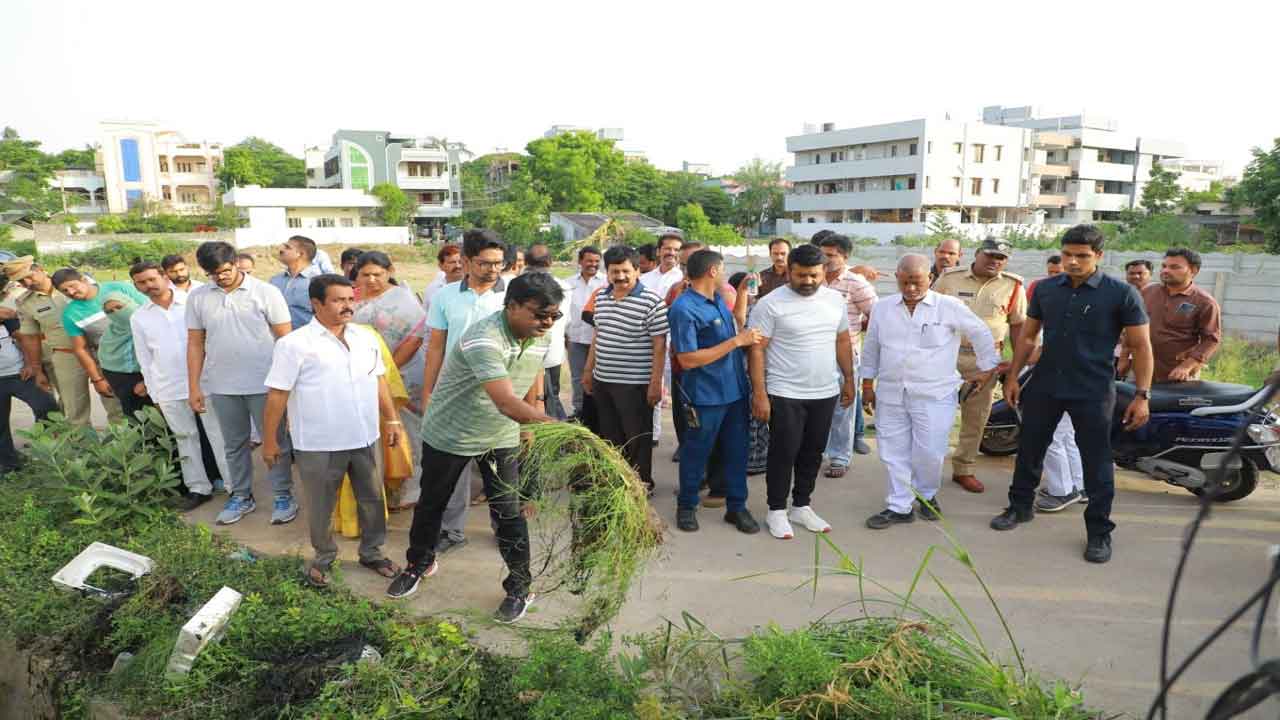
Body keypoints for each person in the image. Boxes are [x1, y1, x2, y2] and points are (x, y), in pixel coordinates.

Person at [387, 273, 564, 626]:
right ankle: (418, 563)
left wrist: (533, 416)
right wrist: (560, 429)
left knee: (509, 513)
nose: (547, 323)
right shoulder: (484, 339)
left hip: (499, 436)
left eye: (554, 316)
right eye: (539, 314)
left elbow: (530, 377)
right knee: (432, 504)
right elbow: (506, 402)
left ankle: (519, 587)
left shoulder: (539, 334)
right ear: (512, 306)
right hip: (451, 433)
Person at [992, 224, 1153, 564]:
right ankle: (1019, 507)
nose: (1073, 262)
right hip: (1046, 384)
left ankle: (1099, 532)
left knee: (1097, 461)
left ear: (1099, 256)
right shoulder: (1046, 289)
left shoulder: (1121, 294)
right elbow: (1028, 336)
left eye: (1082, 256)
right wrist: (1013, 377)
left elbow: (1141, 346)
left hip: (1093, 389)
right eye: (1067, 255)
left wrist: (1142, 395)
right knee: (1030, 449)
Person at [260, 273, 400, 587]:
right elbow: (277, 394)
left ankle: (372, 553)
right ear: (316, 303)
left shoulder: (365, 337)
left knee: (372, 499)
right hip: (318, 442)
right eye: (338, 300)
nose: (347, 306)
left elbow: (378, 379)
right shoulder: (294, 344)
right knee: (322, 504)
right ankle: (324, 557)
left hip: (365, 436)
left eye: (350, 299)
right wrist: (270, 441)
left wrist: (392, 418)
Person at [860, 254, 998, 530]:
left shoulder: (948, 306)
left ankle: (926, 495)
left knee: (930, 452)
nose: (911, 288)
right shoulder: (883, 308)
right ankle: (899, 505)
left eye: (917, 282)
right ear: (897, 278)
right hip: (891, 392)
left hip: (934, 394)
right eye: (905, 282)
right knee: (893, 451)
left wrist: (987, 369)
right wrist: (867, 384)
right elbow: (872, 345)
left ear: (930, 278)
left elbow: (980, 332)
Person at [749, 244, 855, 539]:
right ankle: (776, 510)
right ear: (789, 272)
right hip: (785, 392)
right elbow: (756, 351)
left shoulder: (834, 300)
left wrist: (849, 378)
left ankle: (801, 506)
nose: (808, 281)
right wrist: (760, 394)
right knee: (784, 452)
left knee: (813, 452)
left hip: (825, 391)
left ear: (824, 272)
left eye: (814, 275)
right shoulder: (770, 304)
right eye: (801, 275)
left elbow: (842, 341)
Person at [187, 241, 296, 526]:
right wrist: (194, 386)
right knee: (234, 445)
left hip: (265, 384)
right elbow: (195, 343)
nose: (220, 277)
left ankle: (283, 495)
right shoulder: (198, 297)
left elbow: (286, 339)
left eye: (225, 270)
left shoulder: (266, 292)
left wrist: (289, 383)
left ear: (236, 262)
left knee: (275, 442)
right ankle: (241, 496)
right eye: (213, 274)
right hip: (222, 385)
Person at [422, 229, 508, 552]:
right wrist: (428, 392)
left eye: (498, 263)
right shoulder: (445, 296)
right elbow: (435, 347)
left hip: (498, 394)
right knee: (452, 468)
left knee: (498, 467)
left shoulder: (511, 295)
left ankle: (504, 527)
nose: (493, 269)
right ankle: (451, 531)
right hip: (454, 394)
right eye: (486, 263)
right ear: (468, 261)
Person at [668, 249, 760, 533]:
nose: (723, 273)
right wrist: (737, 343)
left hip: (734, 392)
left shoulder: (717, 299)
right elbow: (687, 359)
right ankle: (687, 506)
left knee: (737, 451)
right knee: (696, 452)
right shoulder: (684, 308)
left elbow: (734, 325)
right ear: (712, 271)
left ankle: (737, 507)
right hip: (704, 395)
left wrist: (742, 293)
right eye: (722, 269)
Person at [129, 261, 231, 510]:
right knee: (185, 439)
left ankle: (235, 487)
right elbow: (145, 359)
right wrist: (155, 394)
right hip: (168, 386)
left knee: (219, 435)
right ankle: (198, 488)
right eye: (141, 283)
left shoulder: (194, 302)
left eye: (152, 279)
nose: (148, 286)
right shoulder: (139, 317)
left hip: (205, 381)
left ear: (165, 277)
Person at [932, 239, 1026, 494]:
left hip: (984, 363)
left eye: (1001, 258)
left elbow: (1018, 327)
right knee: (934, 415)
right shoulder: (950, 278)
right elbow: (929, 312)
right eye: (990, 255)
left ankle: (964, 469)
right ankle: (927, 467)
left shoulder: (1013, 286)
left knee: (975, 418)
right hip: (945, 356)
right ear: (977, 254)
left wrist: (1015, 368)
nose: (996, 261)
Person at [584, 245, 667, 495]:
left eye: (625, 271)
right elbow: (598, 335)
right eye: (614, 271)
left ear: (637, 270)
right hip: (603, 380)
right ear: (607, 272)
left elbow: (660, 345)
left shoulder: (652, 301)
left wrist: (655, 383)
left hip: (635, 384)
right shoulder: (601, 297)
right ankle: (618, 481)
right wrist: (588, 371)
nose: (620, 276)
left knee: (637, 438)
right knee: (611, 436)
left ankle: (641, 484)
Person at [351, 251, 428, 508]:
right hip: (362, 375)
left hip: (401, 373)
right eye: (365, 274)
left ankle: (413, 487)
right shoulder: (352, 297)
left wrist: (387, 371)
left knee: (408, 430)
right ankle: (382, 487)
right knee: (374, 431)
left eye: (378, 274)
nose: (371, 280)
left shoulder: (403, 299)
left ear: (390, 271)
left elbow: (414, 339)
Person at [2, 257, 93, 427]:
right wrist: (37, 369)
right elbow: (30, 337)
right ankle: (83, 443)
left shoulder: (70, 286)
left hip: (98, 349)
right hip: (65, 355)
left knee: (114, 401)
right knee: (74, 410)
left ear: (40, 270)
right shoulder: (25, 302)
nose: (27, 283)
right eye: (21, 281)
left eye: (29, 277)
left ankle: (123, 441)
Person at [816, 233, 877, 477]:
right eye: (822, 254)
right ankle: (817, 452)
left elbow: (878, 317)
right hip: (814, 355)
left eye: (831, 255)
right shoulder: (813, 278)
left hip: (845, 356)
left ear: (845, 256)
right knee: (817, 407)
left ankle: (840, 458)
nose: (825, 259)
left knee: (843, 408)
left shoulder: (856, 283)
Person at [52, 268, 145, 422]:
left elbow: (149, 310)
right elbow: (81, 349)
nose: (71, 292)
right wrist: (97, 379)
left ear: (83, 280)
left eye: (72, 286)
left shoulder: (118, 288)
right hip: (112, 367)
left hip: (145, 358)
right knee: (119, 413)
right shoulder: (70, 314)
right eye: (65, 291)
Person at [1140, 248, 1221, 383]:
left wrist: (1187, 366)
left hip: (1176, 373)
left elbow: (1211, 340)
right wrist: (1125, 356)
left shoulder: (1205, 302)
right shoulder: (1147, 292)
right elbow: (1134, 327)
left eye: (1174, 267)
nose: (1166, 270)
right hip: (1141, 367)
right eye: (1164, 266)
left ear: (1193, 270)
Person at [0, 311, 57, 473]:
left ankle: (49, 453)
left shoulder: (5, 318)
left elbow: (24, 338)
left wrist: (30, 364)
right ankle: (10, 465)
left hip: (20, 374)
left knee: (46, 406)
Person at [523, 244, 570, 420]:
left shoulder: (518, 285)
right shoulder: (564, 286)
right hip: (551, 354)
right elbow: (568, 321)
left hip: (527, 354)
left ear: (526, 262)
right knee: (550, 398)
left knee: (535, 400)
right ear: (550, 262)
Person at [97, 291, 154, 419]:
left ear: (130, 303)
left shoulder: (150, 323)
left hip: (151, 380)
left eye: (119, 307)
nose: (116, 313)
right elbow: (104, 360)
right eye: (110, 312)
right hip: (122, 384)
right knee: (137, 421)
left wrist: (148, 381)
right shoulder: (111, 332)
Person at [565, 246, 605, 417]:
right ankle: (579, 411)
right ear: (580, 261)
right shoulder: (568, 284)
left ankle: (598, 413)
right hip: (575, 338)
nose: (593, 264)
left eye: (596, 261)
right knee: (577, 377)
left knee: (599, 377)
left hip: (599, 340)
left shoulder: (606, 283)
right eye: (589, 261)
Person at [270, 235, 322, 330]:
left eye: (287, 247)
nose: (281, 250)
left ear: (300, 254)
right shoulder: (275, 280)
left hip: (308, 336)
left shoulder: (319, 282)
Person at [422, 244, 465, 314]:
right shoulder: (433, 289)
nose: (458, 266)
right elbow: (426, 315)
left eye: (460, 262)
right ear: (441, 266)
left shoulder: (474, 287)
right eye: (452, 262)